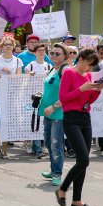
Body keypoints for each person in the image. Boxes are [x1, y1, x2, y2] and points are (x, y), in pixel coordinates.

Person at [54, 48, 103, 206]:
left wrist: (97, 90)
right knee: (83, 159)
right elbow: (63, 98)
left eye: (91, 67)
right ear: (80, 59)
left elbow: (89, 100)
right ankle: (62, 189)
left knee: (82, 162)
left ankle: (77, 200)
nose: (89, 69)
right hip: (71, 118)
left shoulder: (88, 76)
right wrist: (82, 89)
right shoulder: (69, 72)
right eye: (88, 65)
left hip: (85, 118)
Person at [38, 43, 69, 186]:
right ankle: (53, 170)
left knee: (56, 144)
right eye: (52, 53)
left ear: (65, 56)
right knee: (50, 144)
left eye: (57, 54)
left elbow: (69, 94)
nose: (54, 56)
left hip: (58, 114)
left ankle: (57, 174)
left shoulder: (65, 70)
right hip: (48, 112)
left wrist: (54, 106)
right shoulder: (52, 68)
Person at [0, 37, 22, 158]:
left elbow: (19, 79)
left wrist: (9, 72)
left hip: (10, 92)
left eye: (10, 44)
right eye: (6, 44)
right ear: (2, 47)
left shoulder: (18, 61)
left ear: (13, 46)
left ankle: (5, 148)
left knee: (7, 120)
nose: (8, 46)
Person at [25, 43, 52, 157]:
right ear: (35, 53)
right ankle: (36, 147)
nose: (41, 52)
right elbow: (23, 79)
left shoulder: (49, 66)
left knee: (42, 122)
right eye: (39, 50)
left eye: (43, 50)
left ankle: (40, 146)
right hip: (33, 97)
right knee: (35, 119)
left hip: (45, 96)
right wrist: (28, 75)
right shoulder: (31, 65)